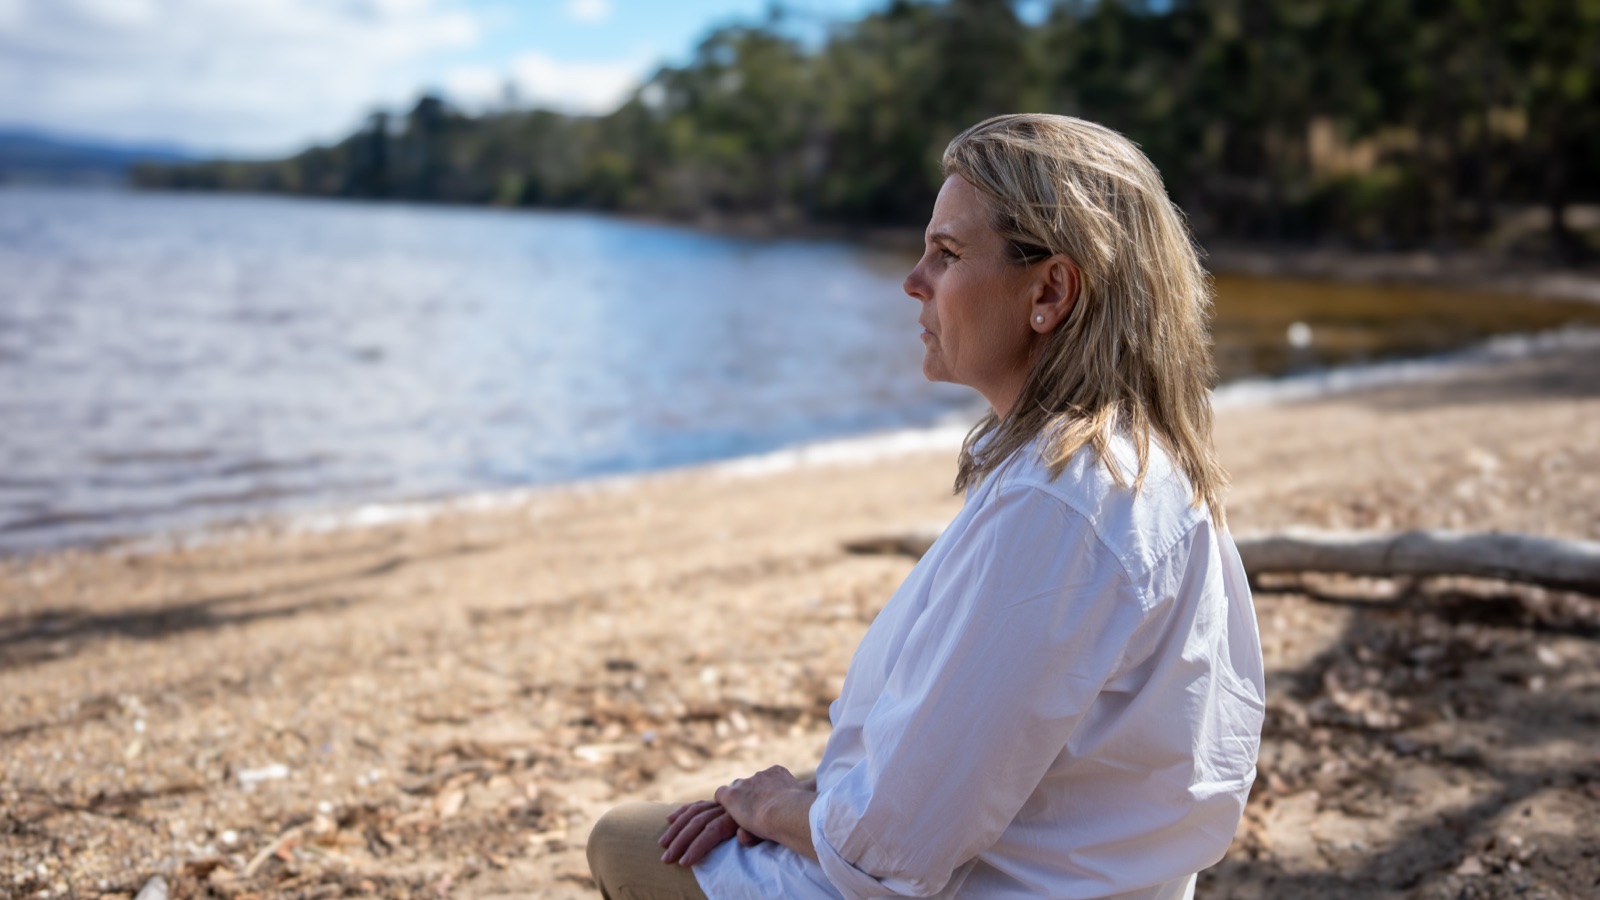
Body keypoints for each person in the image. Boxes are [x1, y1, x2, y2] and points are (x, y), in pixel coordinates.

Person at [586, 113, 1266, 900]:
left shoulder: (1062, 508)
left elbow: (894, 849)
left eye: (945, 254)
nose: (912, 280)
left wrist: (774, 807)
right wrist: (802, 801)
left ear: (1049, 290)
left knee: (623, 841)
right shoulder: (1140, 464)